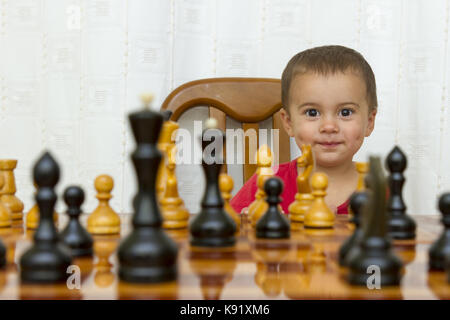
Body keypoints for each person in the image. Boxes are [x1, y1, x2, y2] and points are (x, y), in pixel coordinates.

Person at [230, 45, 377, 215]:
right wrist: (247, 228)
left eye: (345, 112)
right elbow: (226, 232)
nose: (329, 127)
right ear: (289, 122)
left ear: (369, 121)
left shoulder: (377, 187)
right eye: (312, 112)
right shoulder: (265, 181)